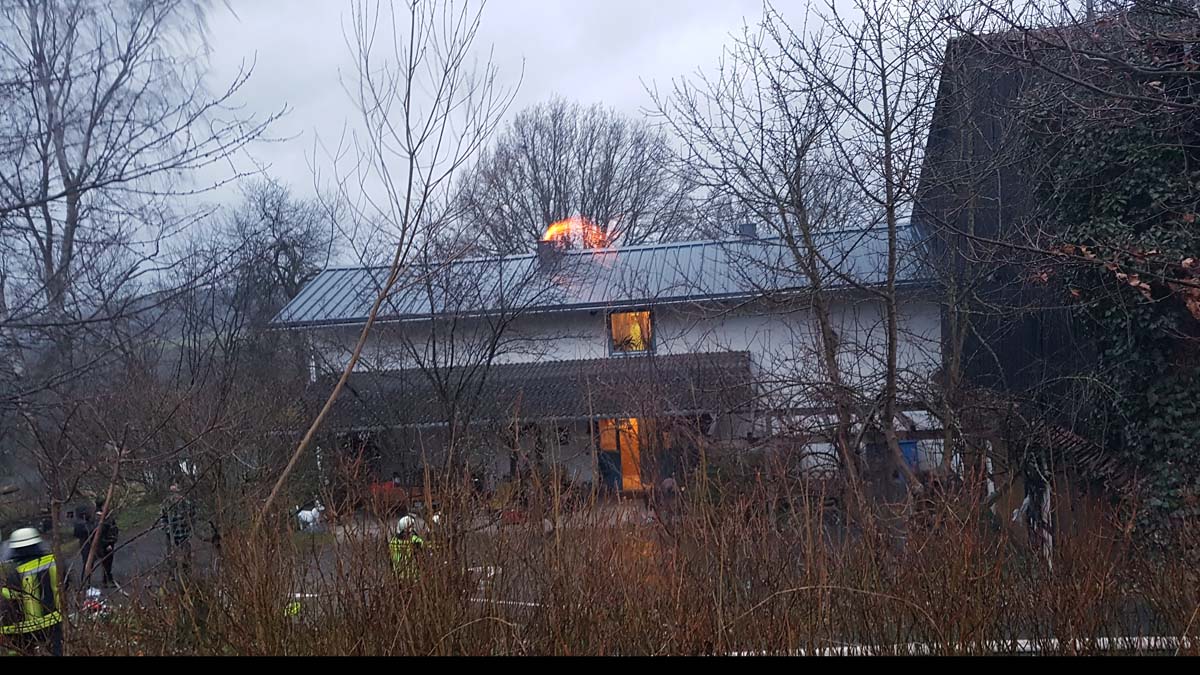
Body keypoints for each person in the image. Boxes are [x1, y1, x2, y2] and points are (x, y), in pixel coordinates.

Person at [0, 528, 63, 656]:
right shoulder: (55, 563)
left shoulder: (16, 573)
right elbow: (65, 584)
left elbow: (8, 599)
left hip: (29, 628)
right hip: (56, 619)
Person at [159, 484, 196, 579]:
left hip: (184, 532)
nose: (175, 496)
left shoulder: (186, 503)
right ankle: (172, 573)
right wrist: (166, 528)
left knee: (186, 552)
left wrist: (190, 527)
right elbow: (162, 518)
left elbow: (193, 515)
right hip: (171, 534)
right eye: (172, 493)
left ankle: (187, 571)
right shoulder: (166, 504)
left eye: (176, 493)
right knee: (171, 554)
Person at [87, 500, 119, 588]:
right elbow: (98, 533)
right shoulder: (96, 518)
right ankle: (88, 582)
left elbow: (113, 529)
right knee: (95, 563)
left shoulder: (108, 516)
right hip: (100, 545)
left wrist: (112, 541)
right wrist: (106, 543)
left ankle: (107, 579)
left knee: (108, 563)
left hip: (108, 543)